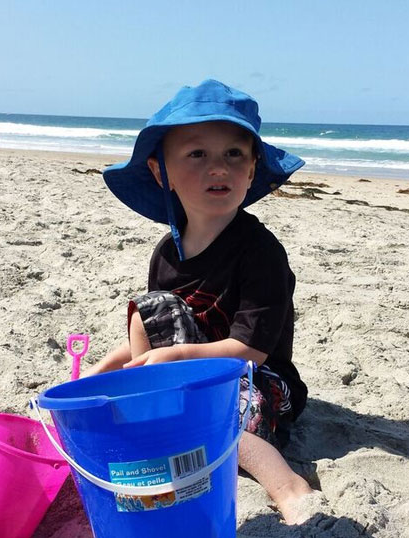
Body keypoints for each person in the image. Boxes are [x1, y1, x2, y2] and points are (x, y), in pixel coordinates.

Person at [84, 79, 324, 524]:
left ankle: (287, 485)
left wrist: (175, 360)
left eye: (234, 154)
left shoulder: (260, 251)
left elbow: (250, 349)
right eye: (197, 154)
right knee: (152, 307)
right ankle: (165, 418)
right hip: (189, 379)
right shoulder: (166, 253)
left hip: (258, 382)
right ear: (161, 172)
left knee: (220, 422)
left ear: (252, 170)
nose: (219, 168)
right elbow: (157, 340)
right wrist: (104, 370)